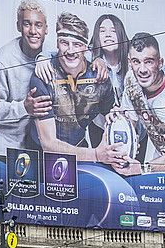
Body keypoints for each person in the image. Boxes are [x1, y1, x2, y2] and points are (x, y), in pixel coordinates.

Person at [30, 13, 124, 163]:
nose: (70, 50)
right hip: (42, 159)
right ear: (57, 43)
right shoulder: (43, 76)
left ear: (86, 47)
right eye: (64, 43)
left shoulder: (99, 77)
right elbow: (48, 144)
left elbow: (113, 116)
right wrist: (95, 155)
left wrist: (123, 144)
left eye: (77, 44)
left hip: (80, 153)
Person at [112, 33, 165, 176]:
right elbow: (130, 124)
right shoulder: (131, 81)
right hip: (159, 163)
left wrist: (142, 168)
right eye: (136, 61)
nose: (142, 69)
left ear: (160, 63)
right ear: (129, 62)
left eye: (149, 62)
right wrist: (117, 121)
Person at [0, 0, 52, 172]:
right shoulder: (4, 58)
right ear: (18, 26)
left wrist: (99, 60)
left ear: (46, 28)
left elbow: (81, 56)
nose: (33, 31)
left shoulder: (53, 53)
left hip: (42, 150)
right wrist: (24, 108)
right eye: (27, 24)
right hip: (8, 150)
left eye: (38, 25)